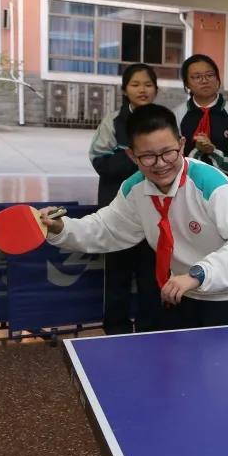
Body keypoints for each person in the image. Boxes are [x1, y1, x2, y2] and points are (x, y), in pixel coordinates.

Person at [44, 105, 228, 329]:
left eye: (168, 152)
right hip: (185, 287)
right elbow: (106, 228)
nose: (161, 164)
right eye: (148, 156)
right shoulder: (134, 189)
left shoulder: (212, 184)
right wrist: (61, 228)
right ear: (132, 155)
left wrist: (198, 274)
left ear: (182, 145)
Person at [88, 63, 162, 334]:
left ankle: (149, 330)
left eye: (148, 84)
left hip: (155, 213)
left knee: (151, 278)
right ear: (124, 90)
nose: (142, 90)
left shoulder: (163, 121)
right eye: (135, 84)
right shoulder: (112, 122)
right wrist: (137, 157)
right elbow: (100, 161)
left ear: (156, 89)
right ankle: (116, 330)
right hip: (119, 213)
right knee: (117, 277)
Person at [173, 54, 228, 182]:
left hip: (225, 185)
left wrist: (212, 151)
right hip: (187, 186)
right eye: (197, 77)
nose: (204, 81)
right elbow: (172, 158)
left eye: (210, 75)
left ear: (217, 79)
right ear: (187, 83)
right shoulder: (178, 114)